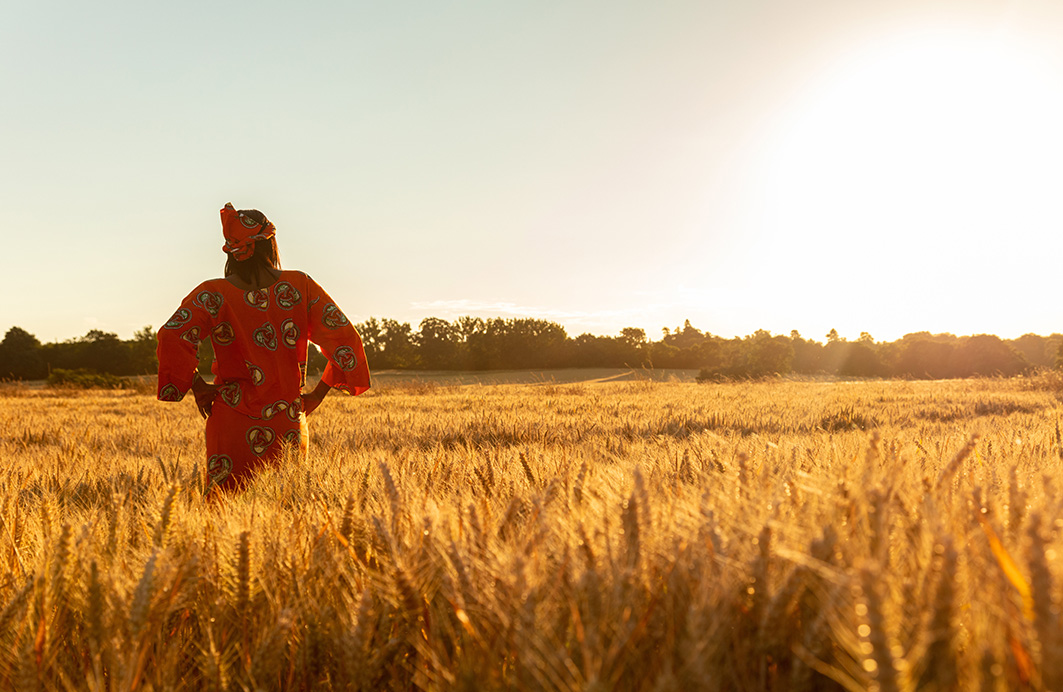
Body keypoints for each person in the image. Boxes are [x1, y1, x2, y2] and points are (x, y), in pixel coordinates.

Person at [156, 203, 370, 494]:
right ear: (269, 244)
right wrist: (317, 395)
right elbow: (346, 339)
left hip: (231, 421)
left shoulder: (213, 293)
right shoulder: (299, 286)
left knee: (224, 512)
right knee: (285, 506)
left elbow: (171, 336)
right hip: (287, 419)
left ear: (232, 250)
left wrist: (197, 385)